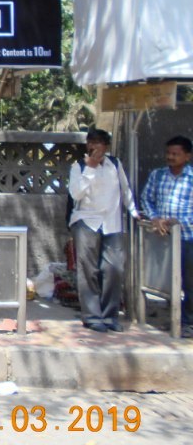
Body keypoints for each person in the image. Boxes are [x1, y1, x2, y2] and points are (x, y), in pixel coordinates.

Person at [67, 128, 139, 333]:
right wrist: (89, 169)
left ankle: (110, 316)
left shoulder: (115, 165)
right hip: (86, 221)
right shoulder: (78, 166)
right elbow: (76, 194)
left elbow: (125, 190)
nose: (93, 146)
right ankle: (91, 316)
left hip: (112, 222)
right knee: (88, 270)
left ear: (106, 147)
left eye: (98, 142)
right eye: (91, 142)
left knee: (114, 269)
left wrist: (134, 211)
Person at [140, 135, 193, 336]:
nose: (170, 157)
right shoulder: (158, 175)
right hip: (164, 239)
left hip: (188, 238)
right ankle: (173, 319)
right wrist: (155, 218)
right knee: (167, 281)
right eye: (168, 153)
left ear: (187, 156)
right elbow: (146, 198)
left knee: (190, 283)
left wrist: (180, 222)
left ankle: (189, 322)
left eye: (175, 154)